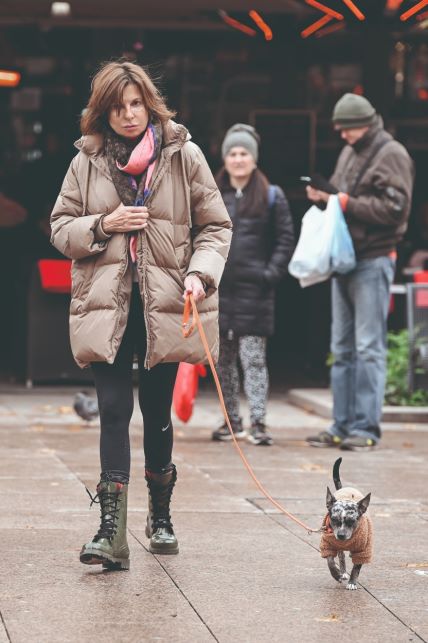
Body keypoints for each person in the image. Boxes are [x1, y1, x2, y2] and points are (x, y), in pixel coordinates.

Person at [50, 60, 232, 569]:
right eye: (117, 106)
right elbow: (60, 228)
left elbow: (216, 227)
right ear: (102, 112)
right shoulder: (84, 161)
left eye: (135, 103)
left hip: (166, 303)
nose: (128, 115)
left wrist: (201, 272)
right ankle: (112, 532)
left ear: (149, 103)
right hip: (106, 306)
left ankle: (160, 516)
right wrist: (104, 223)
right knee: (112, 410)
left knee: (156, 412)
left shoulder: (183, 154)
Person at [306, 93, 414, 451]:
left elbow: (395, 210)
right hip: (346, 258)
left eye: (345, 128)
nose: (341, 135)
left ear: (362, 124)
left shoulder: (392, 153)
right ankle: (341, 425)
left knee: (368, 347)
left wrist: (345, 202)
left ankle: (366, 428)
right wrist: (326, 197)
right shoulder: (351, 151)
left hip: (374, 258)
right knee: (342, 347)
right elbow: (342, 194)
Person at [211, 124, 294, 446]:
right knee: (223, 362)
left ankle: (258, 421)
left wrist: (270, 274)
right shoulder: (213, 192)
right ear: (224, 158)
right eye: (232, 153)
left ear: (255, 158)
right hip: (219, 291)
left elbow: (285, 239)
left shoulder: (272, 196)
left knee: (253, 359)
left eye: (244, 153)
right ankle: (231, 420)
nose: (238, 159)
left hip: (255, 291)